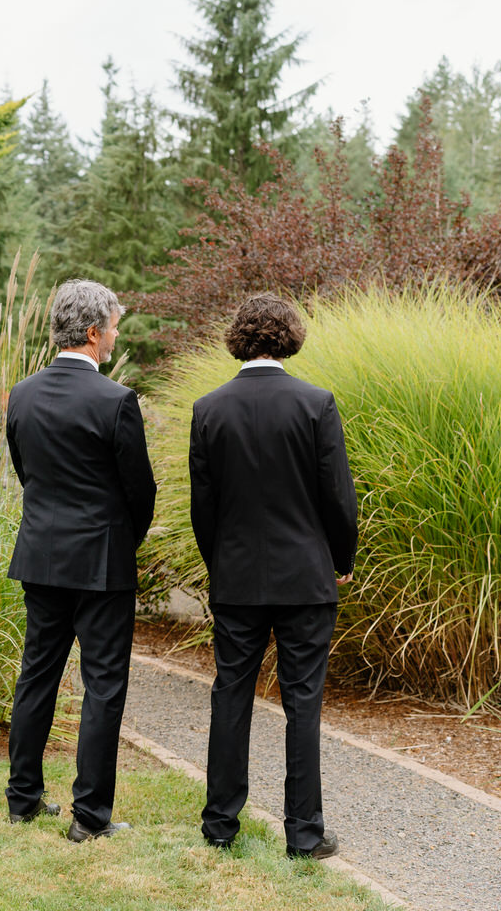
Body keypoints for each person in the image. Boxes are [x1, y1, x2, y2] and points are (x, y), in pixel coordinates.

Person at [188, 292, 358, 860]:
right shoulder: (315, 404)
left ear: (239, 338)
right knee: (303, 702)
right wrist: (341, 560)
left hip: (237, 580)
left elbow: (203, 508)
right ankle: (304, 834)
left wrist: (222, 566)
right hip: (305, 580)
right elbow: (338, 498)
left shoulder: (209, 409)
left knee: (230, 696)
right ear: (290, 337)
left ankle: (219, 826)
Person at [4, 279, 157, 843]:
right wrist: (123, 539)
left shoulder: (21, 394)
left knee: (37, 677)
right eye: (114, 325)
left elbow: (27, 473)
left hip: (41, 558)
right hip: (102, 564)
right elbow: (140, 491)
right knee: (104, 686)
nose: (117, 335)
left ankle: (22, 799)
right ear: (93, 333)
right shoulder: (115, 401)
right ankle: (89, 818)